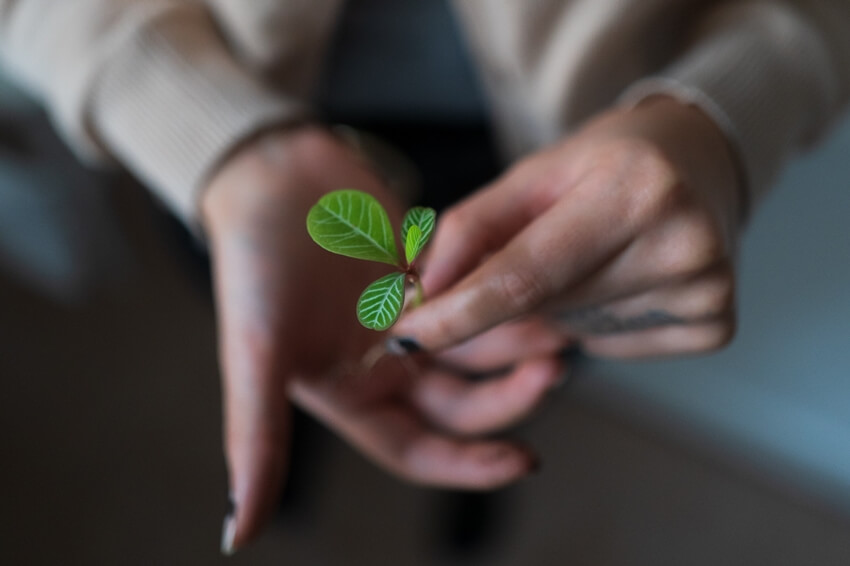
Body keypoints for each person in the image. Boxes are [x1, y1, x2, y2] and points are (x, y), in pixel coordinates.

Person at [1, 0, 848, 556]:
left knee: (513, 373)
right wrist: (211, 137)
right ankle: (296, 466)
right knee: (288, 368)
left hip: (572, 174)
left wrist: (716, 117)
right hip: (234, 154)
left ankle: (470, 505)